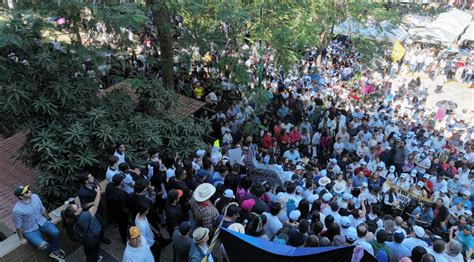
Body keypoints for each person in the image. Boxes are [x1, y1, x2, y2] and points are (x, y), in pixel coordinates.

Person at [12, 185, 65, 261]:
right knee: (42, 245)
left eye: (28, 189)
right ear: (21, 197)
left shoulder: (35, 197)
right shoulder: (17, 210)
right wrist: (21, 239)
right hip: (29, 229)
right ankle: (53, 252)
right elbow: (18, 226)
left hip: (41, 221)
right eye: (26, 191)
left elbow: (42, 209)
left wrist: (49, 219)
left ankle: (56, 250)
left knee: (55, 232)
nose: (29, 191)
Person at [62, 186, 103, 262]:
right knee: (93, 254)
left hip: (85, 239)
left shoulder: (73, 218)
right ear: (76, 212)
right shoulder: (83, 217)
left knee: (89, 252)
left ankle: (93, 258)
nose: (78, 205)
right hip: (92, 240)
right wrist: (98, 193)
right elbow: (95, 206)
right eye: (77, 207)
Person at [105, 173, 130, 244]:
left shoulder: (109, 185)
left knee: (120, 225)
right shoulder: (122, 194)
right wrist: (129, 213)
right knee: (122, 226)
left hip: (112, 211)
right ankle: (124, 239)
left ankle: (123, 237)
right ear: (121, 182)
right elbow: (125, 208)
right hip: (121, 215)